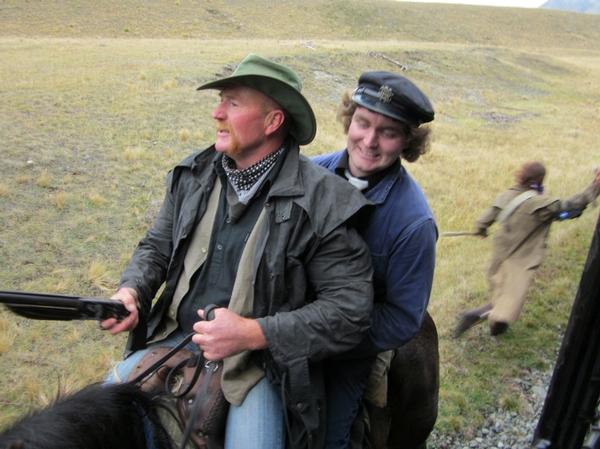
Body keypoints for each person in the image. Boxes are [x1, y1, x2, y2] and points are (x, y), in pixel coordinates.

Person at [100, 53, 374, 449]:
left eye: (232, 103)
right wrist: (132, 291)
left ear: (272, 121)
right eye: (219, 101)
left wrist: (253, 332)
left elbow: (350, 311)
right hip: (172, 340)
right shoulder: (193, 174)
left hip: (259, 367)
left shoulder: (325, 202)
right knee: (96, 419)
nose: (216, 113)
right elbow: (156, 247)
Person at [313, 71, 438, 449]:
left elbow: (402, 318)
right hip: (279, 322)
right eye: (362, 123)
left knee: (329, 438)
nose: (369, 140)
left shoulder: (414, 224)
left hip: (351, 345)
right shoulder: (308, 174)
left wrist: (323, 336)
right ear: (350, 119)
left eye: (387, 132)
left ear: (406, 143)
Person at [454, 161, 600, 337]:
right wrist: (595, 186)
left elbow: (484, 220)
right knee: (509, 302)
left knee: (500, 294)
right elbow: (571, 206)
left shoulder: (507, 196)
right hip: (521, 259)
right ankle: (475, 317)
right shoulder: (542, 205)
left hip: (500, 255)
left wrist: (481, 230)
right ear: (540, 181)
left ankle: (495, 329)